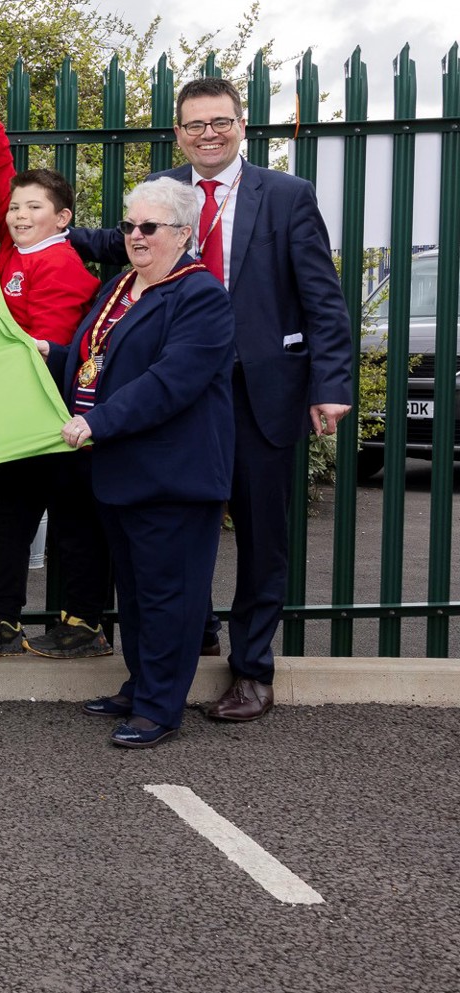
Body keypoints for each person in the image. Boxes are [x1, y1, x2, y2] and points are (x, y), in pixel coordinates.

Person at [69, 78, 352, 723]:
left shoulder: (286, 195)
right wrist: (41, 235)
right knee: (171, 530)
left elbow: (321, 294)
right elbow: (118, 243)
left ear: (242, 125)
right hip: (181, 399)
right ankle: (184, 647)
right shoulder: (163, 191)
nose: (208, 135)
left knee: (260, 536)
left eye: (220, 122)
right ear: (178, 133)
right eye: (194, 125)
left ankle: (251, 670)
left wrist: (331, 384)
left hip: (260, 393)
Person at [59, 177, 235, 747]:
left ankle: (160, 707)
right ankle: (140, 687)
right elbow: (96, 362)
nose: (135, 236)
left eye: (149, 227)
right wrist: (49, 353)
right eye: (129, 226)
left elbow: (170, 381)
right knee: (136, 593)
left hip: (172, 475)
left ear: (182, 234)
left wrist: (99, 421)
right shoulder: (121, 286)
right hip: (120, 469)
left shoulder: (200, 295)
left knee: (169, 597)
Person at [0, 83, 111, 660]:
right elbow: (1, 181)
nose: (19, 214)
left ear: (62, 218)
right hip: (17, 415)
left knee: (73, 522)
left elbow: (57, 349)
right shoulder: (10, 250)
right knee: (6, 521)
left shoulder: (61, 264)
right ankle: (2, 621)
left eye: (34, 208)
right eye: (16, 209)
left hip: (57, 419)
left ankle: (84, 623)